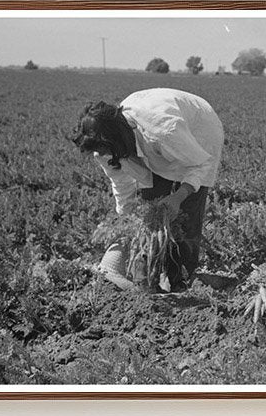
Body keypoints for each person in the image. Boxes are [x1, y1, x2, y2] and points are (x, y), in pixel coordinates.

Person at [72, 88, 224, 292]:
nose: (101, 155)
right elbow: (122, 185)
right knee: (151, 213)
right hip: (157, 142)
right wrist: (126, 222)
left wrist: (178, 197)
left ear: (115, 140)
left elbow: (200, 166)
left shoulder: (163, 131)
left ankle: (182, 281)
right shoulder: (105, 148)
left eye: (104, 150)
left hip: (199, 131)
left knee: (186, 214)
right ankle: (151, 278)